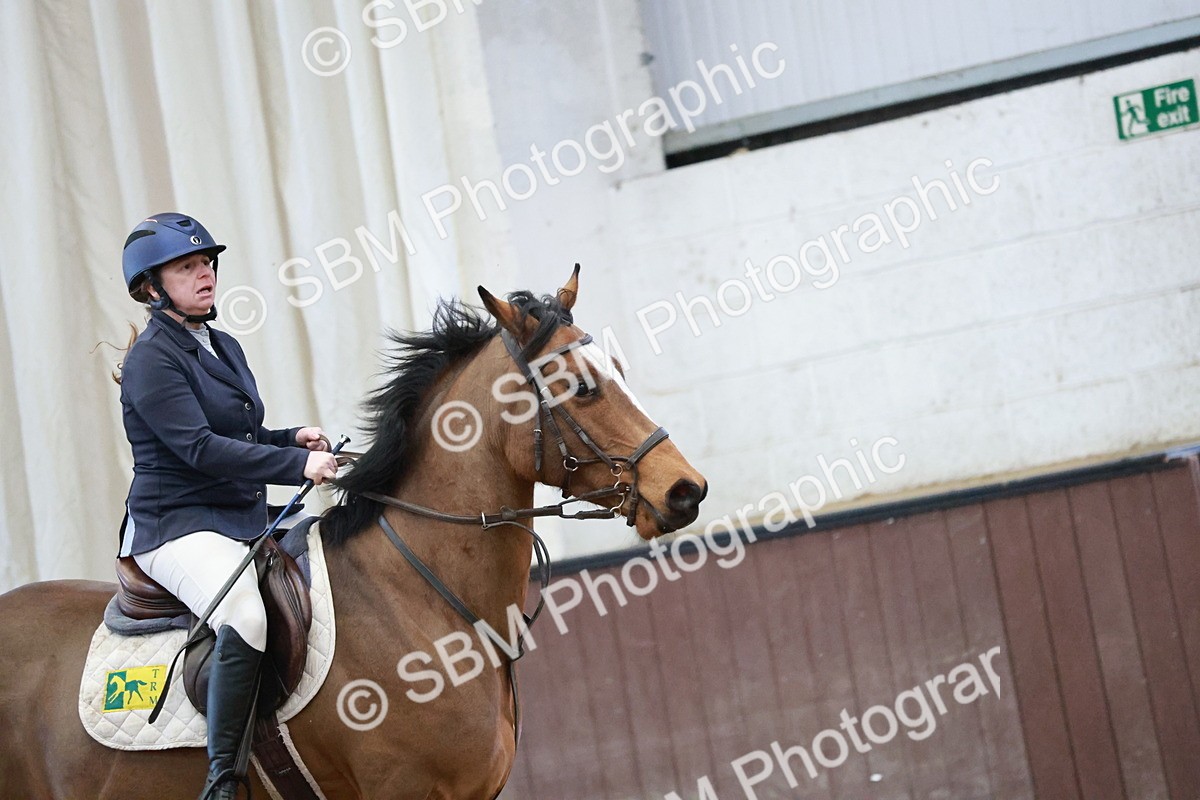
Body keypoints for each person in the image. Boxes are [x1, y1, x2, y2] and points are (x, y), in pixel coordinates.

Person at [117, 212, 339, 800]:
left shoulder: (222, 343)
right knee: (244, 613)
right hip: (175, 527)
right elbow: (198, 448)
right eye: (187, 266)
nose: (205, 273)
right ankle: (222, 779)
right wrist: (296, 468)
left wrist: (290, 438)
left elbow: (240, 435)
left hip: (238, 517)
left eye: (207, 262)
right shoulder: (150, 361)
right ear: (151, 286)